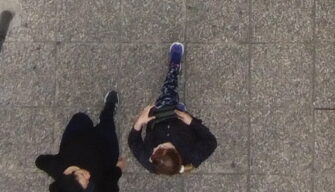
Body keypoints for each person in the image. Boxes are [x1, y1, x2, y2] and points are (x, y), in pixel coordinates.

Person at [127, 43, 216, 175]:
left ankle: (173, 97)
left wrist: (139, 123)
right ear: (176, 152)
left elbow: (134, 143)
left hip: (159, 119)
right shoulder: (192, 156)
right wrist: (191, 122)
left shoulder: (151, 162)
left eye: (154, 150)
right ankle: (174, 68)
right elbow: (211, 142)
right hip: (183, 122)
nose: (155, 148)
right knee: (169, 94)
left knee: (166, 99)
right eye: (161, 147)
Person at [37, 90, 123, 191]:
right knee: (107, 123)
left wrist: (45, 163)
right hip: (104, 150)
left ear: (68, 174)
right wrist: (118, 169)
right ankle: (109, 110)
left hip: (77, 137)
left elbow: (40, 162)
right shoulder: (98, 188)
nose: (88, 175)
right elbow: (110, 185)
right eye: (87, 183)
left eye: (82, 174)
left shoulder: (57, 167)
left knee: (81, 118)